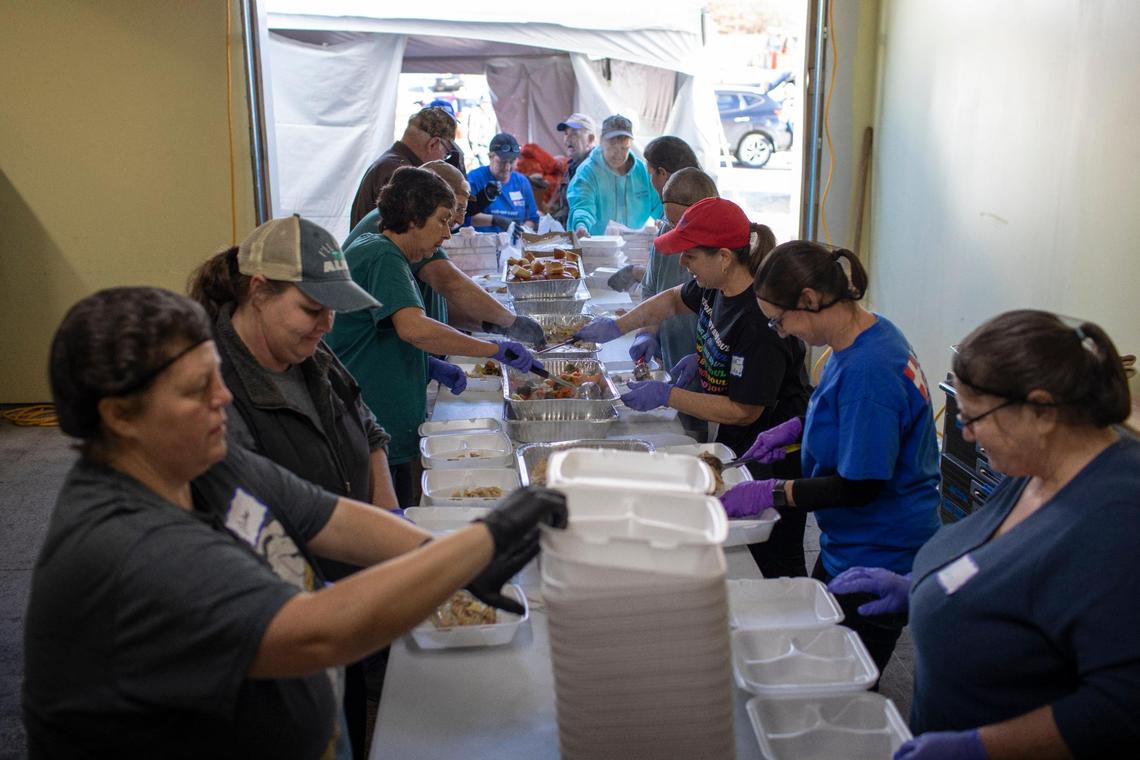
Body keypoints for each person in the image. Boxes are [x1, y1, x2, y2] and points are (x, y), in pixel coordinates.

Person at [21, 286, 568, 758]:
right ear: (118, 416)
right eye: (194, 390)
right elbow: (315, 633)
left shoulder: (198, 459)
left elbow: (328, 517)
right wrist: (480, 542)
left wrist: (443, 556)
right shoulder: (124, 545)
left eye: (216, 374)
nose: (224, 397)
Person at [827, 310, 1140, 760]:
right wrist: (919, 588)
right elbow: (1004, 564)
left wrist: (982, 747)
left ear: (1042, 409)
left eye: (975, 418)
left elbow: (1119, 706)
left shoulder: (1118, 521)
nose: (967, 435)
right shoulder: (1036, 463)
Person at [188, 214, 398, 758]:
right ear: (258, 291)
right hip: (286, 619)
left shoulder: (306, 350)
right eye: (311, 308)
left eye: (331, 308)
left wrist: (388, 515)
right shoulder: (218, 391)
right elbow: (271, 513)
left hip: (344, 596)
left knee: (346, 716)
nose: (325, 323)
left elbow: (367, 424)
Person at [722, 239, 941, 676]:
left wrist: (774, 492)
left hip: (879, 552)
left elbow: (859, 487)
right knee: (819, 650)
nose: (782, 333)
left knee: (843, 681)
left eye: (780, 322)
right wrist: (798, 431)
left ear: (809, 300)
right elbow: (855, 416)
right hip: (852, 541)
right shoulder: (869, 334)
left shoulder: (869, 371)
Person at [572, 198, 811, 577]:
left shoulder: (758, 321)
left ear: (724, 257)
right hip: (737, 438)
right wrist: (620, 325)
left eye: (690, 255)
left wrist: (667, 395)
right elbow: (669, 300)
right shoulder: (715, 287)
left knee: (773, 554)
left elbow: (744, 409)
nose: (683, 263)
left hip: (776, 449)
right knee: (735, 551)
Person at [326, 167, 542, 506]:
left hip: (384, 419)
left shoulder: (386, 252)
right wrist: (492, 348)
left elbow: (373, 332)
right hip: (374, 420)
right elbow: (413, 328)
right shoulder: (383, 255)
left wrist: (426, 365)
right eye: (443, 220)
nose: (447, 234)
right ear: (413, 217)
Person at [343, 160, 544, 345]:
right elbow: (450, 284)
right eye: (454, 211)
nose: (457, 222)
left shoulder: (406, 226)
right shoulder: (400, 233)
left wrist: (493, 326)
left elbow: (435, 306)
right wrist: (510, 322)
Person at [628, 163, 711, 380]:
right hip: (673, 358)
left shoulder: (720, 255)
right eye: (669, 222)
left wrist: (705, 359)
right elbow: (652, 289)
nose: (673, 230)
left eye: (680, 224)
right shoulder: (667, 230)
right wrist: (647, 332)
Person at [349, 107, 458, 228]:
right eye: (446, 153)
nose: (443, 159)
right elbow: (410, 231)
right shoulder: (403, 173)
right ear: (433, 144)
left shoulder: (391, 163)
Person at [566, 114, 662, 237]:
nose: (618, 154)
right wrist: (581, 226)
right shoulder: (587, 172)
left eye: (624, 148)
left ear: (630, 144)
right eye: (612, 147)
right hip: (598, 248)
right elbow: (582, 206)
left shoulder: (642, 172)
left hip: (635, 248)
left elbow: (660, 206)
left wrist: (665, 221)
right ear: (601, 142)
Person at [465, 132, 539, 233]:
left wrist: (523, 231)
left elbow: (532, 218)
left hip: (513, 245)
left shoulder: (522, 182)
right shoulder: (474, 179)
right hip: (482, 244)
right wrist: (495, 220)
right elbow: (465, 216)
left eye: (512, 161)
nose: (507, 167)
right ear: (490, 156)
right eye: (502, 162)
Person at [547, 112, 597, 226]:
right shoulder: (572, 165)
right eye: (565, 134)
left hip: (588, 236)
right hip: (569, 235)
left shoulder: (596, 167)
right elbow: (565, 207)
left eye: (574, 134)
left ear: (590, 139)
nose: (567, 139)